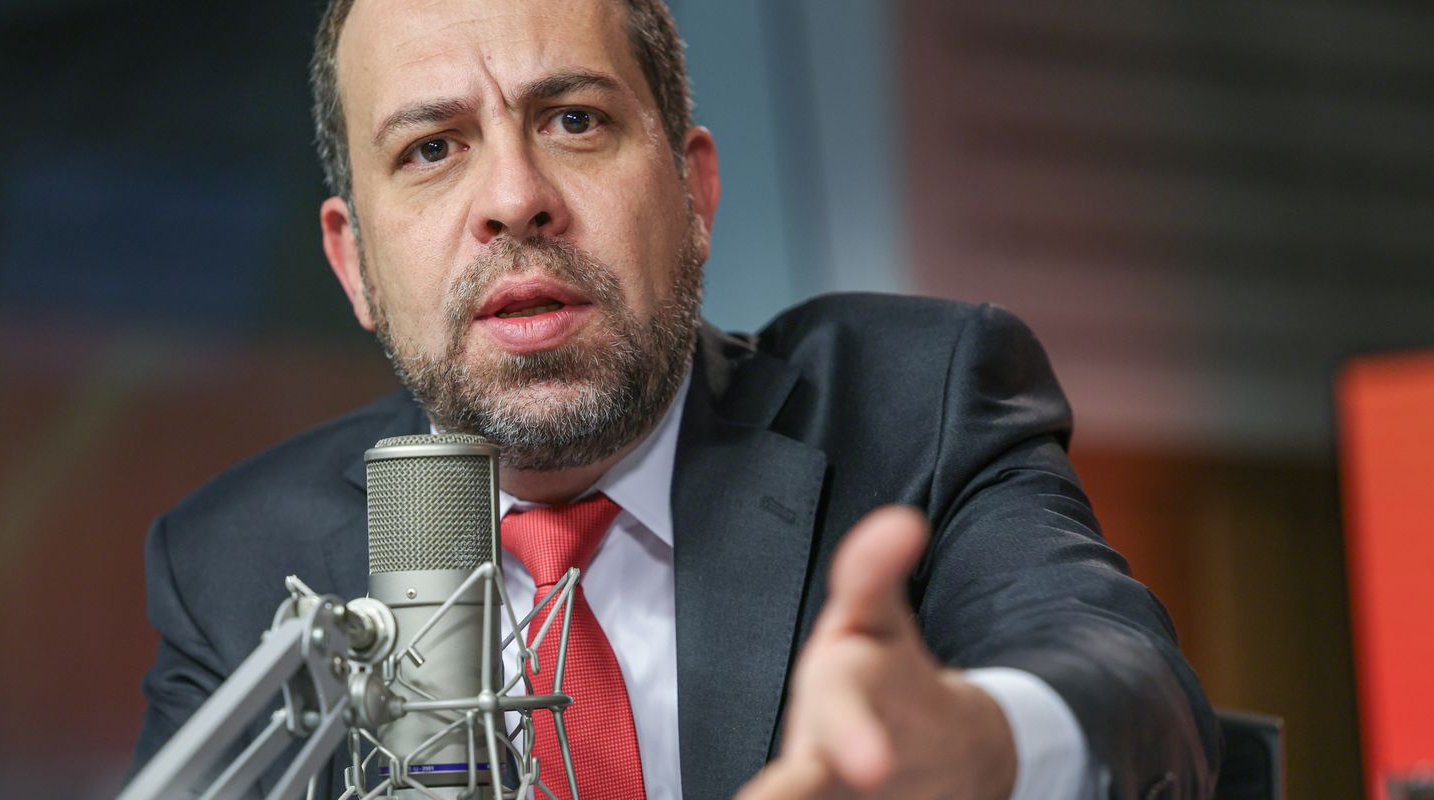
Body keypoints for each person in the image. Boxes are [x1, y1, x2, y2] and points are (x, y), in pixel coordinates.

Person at [132, 0, 1220, 797]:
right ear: (355, 263)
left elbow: (1129, 683)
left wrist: (980, 744)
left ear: (692, 190)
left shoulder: (913, 406)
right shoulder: (232, 567)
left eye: (573, 121)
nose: (513, 198)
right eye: (431, 148)